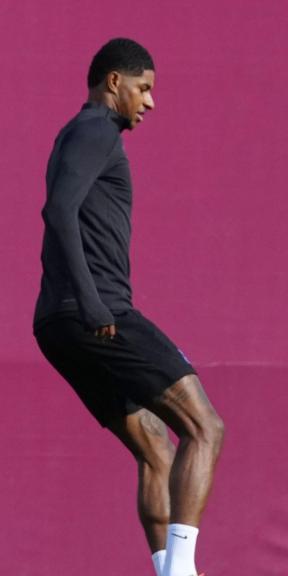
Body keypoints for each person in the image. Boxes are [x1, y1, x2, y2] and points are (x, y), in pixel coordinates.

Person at [33, 38, 223, 576]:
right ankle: (183, 570)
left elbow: (64, 210)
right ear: (113, 82)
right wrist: (94, 303)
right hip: (96, 313)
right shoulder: (95, 129)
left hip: (58, 323)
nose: (150, 102)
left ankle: (167, 568)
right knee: (206, 426)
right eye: (144, 88)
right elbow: (59, 211)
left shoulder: (77, 134)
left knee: (157, 451)